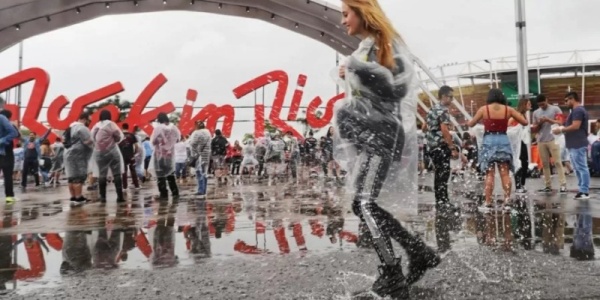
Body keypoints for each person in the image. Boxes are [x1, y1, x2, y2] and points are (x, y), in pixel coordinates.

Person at [335, 1, 440, 297]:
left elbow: (396, 88)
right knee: (361, 202)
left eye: (346, 14)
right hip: (373, 131)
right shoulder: (368, 48)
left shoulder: (384, 44)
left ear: (362, 12)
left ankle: (392, 268)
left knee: (365, 202)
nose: (343, 21)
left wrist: (357, 69)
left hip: (381, 132)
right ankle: (417, 251)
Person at [468, 89, 528, 212]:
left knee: (489, 173)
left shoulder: (484, 109)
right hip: (503, 140)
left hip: (488, 140)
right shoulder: (508, 110)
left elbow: (471, 124)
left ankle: (488, 202)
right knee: (504, 173)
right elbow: (524, 122)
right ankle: (507, 202)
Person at [425, 85, 455, 253]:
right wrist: (451, 146)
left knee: (439, 174)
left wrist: (431, 135)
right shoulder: (442, 111)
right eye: (450, 97)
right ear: (443, 96)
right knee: (444, 174)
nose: (451, 100)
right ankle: (443, 202)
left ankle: (440, 200)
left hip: (431, 146)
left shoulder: (431, 110)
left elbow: (424, 127)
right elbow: (444, 129)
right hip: (440, 146)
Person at [552, 92, 590, 199]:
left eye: (566, 100)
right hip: (575, 143)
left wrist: (561, 130)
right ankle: (582, 189)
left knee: (581, 167)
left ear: (572, 99)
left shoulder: (578, 110)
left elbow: (575, 126)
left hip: (577, 143)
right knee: (578, 168)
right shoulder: (577, 111)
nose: (565, 103)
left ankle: (584, 190)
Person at [532, 94, 567, 193]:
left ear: (547, 100)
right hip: (541, 140)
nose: (542, 106)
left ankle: (563, 184)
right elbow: (535, 128)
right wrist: (539, 123)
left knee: (557, 162)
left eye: (543, 104)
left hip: (553, 139)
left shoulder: (555, 109)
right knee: (545, 164)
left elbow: (560, 122)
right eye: (540, 105)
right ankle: (548, 185)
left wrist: (548, 120)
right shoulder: (535, 112)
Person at [91, 110, 125, 203]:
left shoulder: (96, 126)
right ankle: (120, 196)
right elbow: (118, 136)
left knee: (102, 175)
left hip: (99, 153)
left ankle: (103, 197)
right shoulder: (111, 124)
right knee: (117, 174)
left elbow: (92, 138)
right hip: (112, 151)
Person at [64, 112, 93, 204]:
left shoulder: (69, 128)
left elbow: (64, 141)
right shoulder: (82, 128)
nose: (89, 122)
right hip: (78, 155)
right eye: (89, 120)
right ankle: (78, 197)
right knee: (78, 176)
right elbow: (88, 141)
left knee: (71, 177)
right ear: (84, 119)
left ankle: (73, 197)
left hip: (68, 154)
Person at [150, 112, 180, 198]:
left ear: (159, 119)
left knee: (160, 175)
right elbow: (178, 139)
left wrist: (161, 142)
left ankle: (163, 194)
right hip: (170, 155)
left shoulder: (158, 128)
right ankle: (175, 192)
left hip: (159, 155)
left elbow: (153, 141)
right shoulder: (174, 128)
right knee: (170, 175)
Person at [509, 98, 531, 193]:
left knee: (525, 162)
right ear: (524, 105)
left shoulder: (524, 115)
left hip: (522, 140)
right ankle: (518, 185)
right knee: (520, 161)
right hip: (518, 141)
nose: (530, 105)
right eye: (528, 104)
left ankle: (521, 184)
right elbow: (509, 122)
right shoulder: (517, 115)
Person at [0, 107, 19, 203]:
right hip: (6, 152)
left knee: (8, 175)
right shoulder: (3, 119)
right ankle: (9, 196)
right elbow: (15, 133)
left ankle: (9, 196)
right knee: (8, 175)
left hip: (4, 151)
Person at [189, 121, 211, 196]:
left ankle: (200, 190)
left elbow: (193, 143)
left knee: (199, 172)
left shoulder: (196, 133)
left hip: (198, 155)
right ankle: (204, 189)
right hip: (206, 155)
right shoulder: (208, 133)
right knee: (204, 172)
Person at [119, 123, 140, 190]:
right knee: (133, 170)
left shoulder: (119, 135)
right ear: (128, 127)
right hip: (131, 155)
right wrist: (134, 153)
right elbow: (136, 146)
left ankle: (124, 187)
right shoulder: (132, 135)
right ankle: (136, 186)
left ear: (122, 128)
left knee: (124, 171)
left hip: (122, 156)